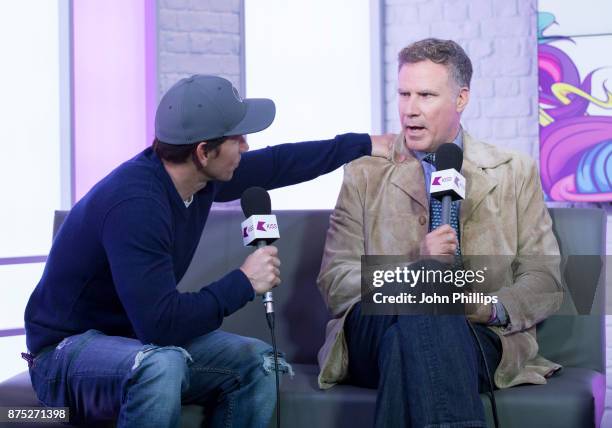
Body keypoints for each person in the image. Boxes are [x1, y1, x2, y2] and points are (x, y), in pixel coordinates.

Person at [23, 74, 393, 427]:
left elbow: (280, 163)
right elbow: (161, 325)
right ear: (204, 151)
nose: (246, 147)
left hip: (134, 342)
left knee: (260, 364)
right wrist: (244, 282)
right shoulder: (136, 205)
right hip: (64, 355)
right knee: (160, 365)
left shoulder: (199, 179)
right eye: (239, 139)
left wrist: (362, 143)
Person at [317, 39, 564, 427]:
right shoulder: (364, 173)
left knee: (407, 342)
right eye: (404, 94)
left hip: (475, 333)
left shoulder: (514, 171)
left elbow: (544, 280)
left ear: (461, 98)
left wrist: (487, 307)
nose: (410, 109)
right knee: (426, 293)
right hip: (370, 327)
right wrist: (417, 267)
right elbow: (337, 282)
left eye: (426, 95)